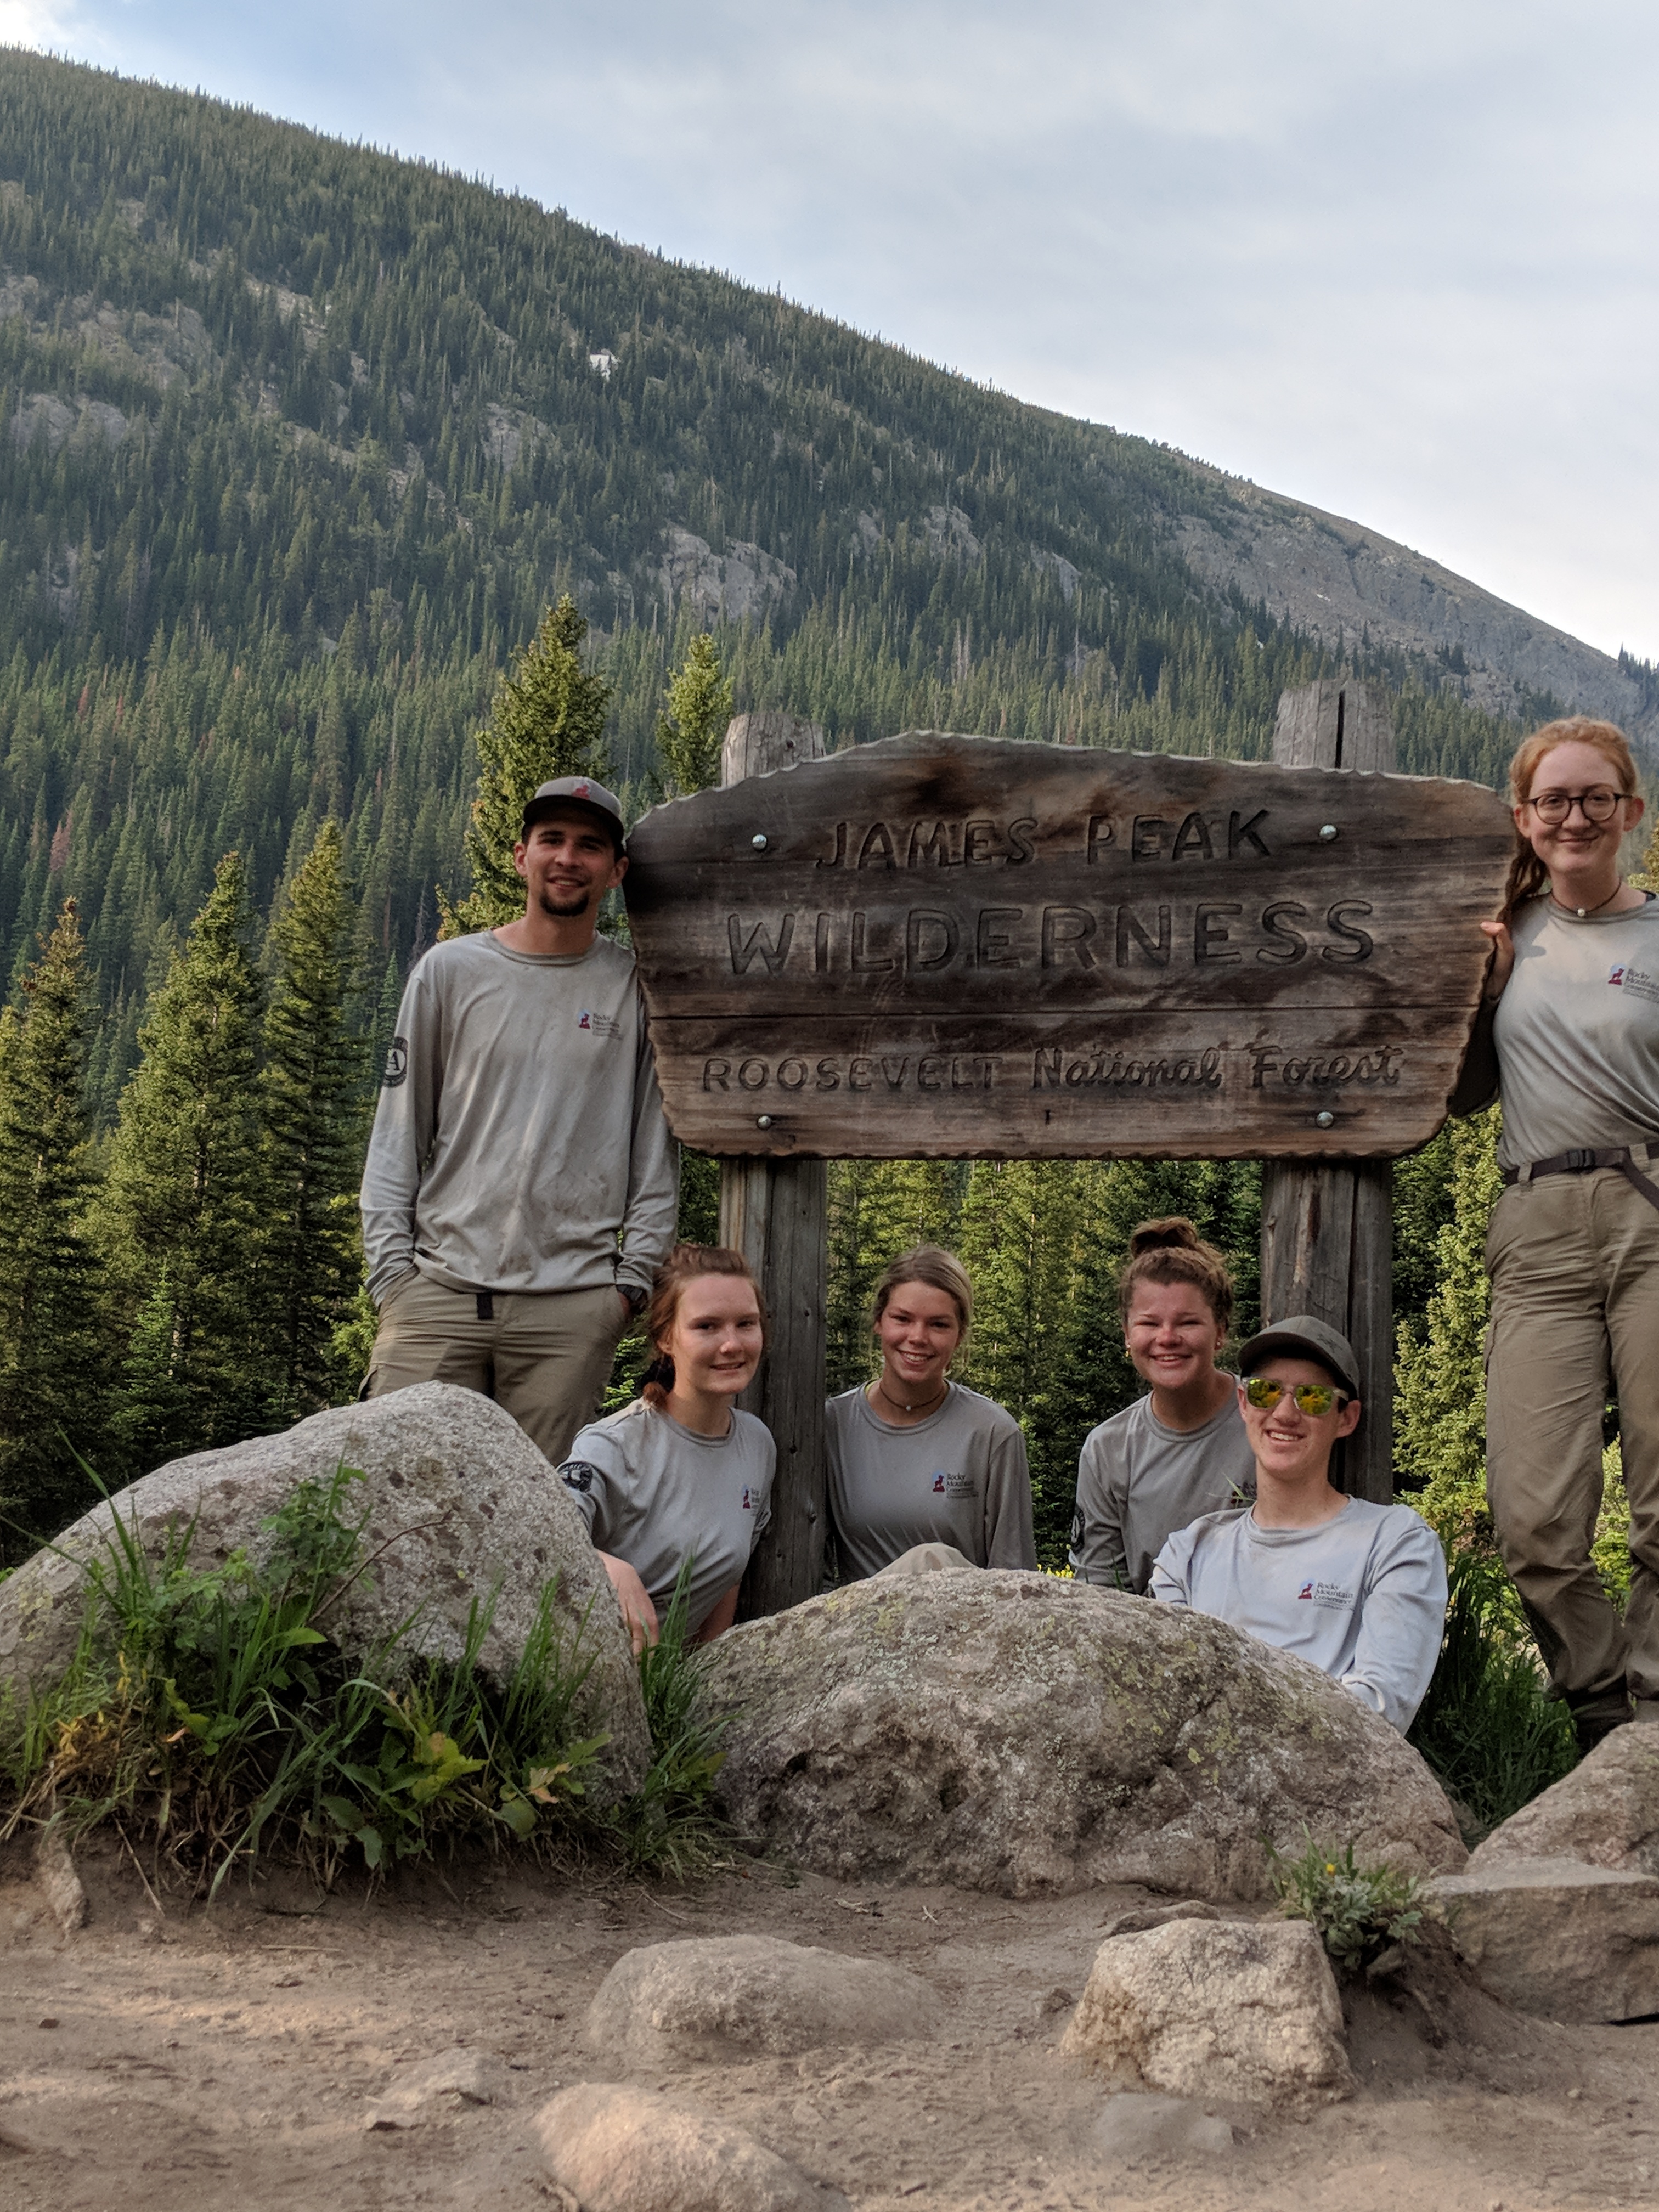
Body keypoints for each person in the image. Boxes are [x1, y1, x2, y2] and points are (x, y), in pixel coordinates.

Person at [358, 776, 678, 1466]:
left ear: (617, 870)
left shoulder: (634, 987)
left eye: (590, 846)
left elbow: (656, 1154)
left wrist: (626, 1292)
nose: (569, 858)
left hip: (569, 1311)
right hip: (435, 1294)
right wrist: (391, 1277)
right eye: (552, 840)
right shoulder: (450, 972)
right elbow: (397, 1134)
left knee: (537, 1518)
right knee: (393, 1498)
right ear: (520, 855)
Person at [1450, 715, 1657, 1751]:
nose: (1571, 816)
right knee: (1531, 1518)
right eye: (1550, 800)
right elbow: (1458, 1099)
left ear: (1628, 811)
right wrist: (1475, 1001)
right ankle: (1599, 1708)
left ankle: (1651, 1726)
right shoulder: (1501, 934)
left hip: (1651, 1214)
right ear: (1523, 818)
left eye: (1592, 797)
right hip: (1532, 1222)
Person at [1150, 1316, 1447, 1733]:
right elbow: (1165, 1696)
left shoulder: (1396, 1543)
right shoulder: (1188, 1553)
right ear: (1243, 1403)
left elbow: (1382, 1709)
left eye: (1313, 1398)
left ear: (1347, 1418)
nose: (1285, 1413)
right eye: (1265, 1391)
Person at [557, 1244, 774, 1651]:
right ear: (665, 1338)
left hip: (674, 1686)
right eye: (707, 1327)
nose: (732, 1344)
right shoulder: (613, 1445)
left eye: (746, 1323)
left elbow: (726, 1578)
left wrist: (705, 1676)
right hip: (578, 1673)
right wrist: (606, 1567)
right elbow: (540, 1538)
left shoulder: (757, 1445)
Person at [823, 1245, 1036, 1579]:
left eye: (938, 1325)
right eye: (902, 1319)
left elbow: (1015, 1575)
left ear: (960, 1334)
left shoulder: (992, 1433)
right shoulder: (833, 1424)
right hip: (857, 1626)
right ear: (879, 1321)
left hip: (963, 1625)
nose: (918, 1337)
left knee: (933, 1558)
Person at [1069, 1218, 1257, 1594]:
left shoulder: (1267, 1415)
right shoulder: (1109, 1449)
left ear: (1220, 1331)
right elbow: (1100, 1592)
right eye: (1149, 1323)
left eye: (1188, 1322)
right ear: (1126, 1333)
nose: (1167, 1338)